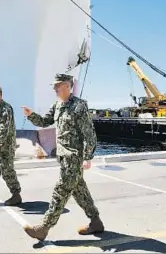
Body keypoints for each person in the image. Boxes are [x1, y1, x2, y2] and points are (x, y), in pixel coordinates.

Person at [21, 73, 104, 241]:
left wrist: (87, 157)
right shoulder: (58, 105)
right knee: (80, 191)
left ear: (67, 85)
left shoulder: (79, 106)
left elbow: (90, 134)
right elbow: (45, 121)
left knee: (61, 191)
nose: (54, 89)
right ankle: (96, 222)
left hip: (74, 158)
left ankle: (43, 228)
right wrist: (31, 115)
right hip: (64, 157)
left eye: (57, 86)